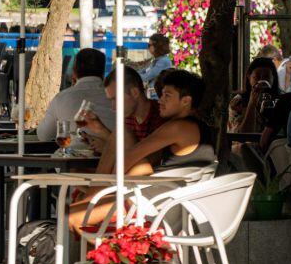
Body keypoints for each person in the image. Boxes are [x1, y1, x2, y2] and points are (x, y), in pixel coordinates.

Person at [68, 70, 214, 234]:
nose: (160, 100)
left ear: (186, 101)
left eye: (167, 95)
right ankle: (95, 198)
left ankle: (94, 196)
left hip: (157, 205)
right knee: (77, 214)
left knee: (74, 216)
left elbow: (130, 156)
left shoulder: (179, 127)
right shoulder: (193, 127)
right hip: (167, 202)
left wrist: (107, 191)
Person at [81, 66, 165, 154]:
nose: (114, 107)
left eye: (116, 99)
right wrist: (100, 130)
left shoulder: (160, 114)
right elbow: (126, 146)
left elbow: (148, 158)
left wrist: (109, 148)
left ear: (134, 93)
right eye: (111, 100)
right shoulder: (129, 116)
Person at [36, 48, 114, 141]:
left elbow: (44, 135)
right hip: (112, 153)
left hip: (73, 153)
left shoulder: (61, 98)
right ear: (103, 71)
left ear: (74, 70)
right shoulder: (117, 98)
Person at [228, 57, 280, 134]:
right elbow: (241, 135)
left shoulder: (281, 100)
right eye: (257, 77)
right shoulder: (238, 102)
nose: (262, 81)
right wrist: (251, 103)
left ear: (273, 78)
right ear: (249, 77)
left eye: (266, 77)